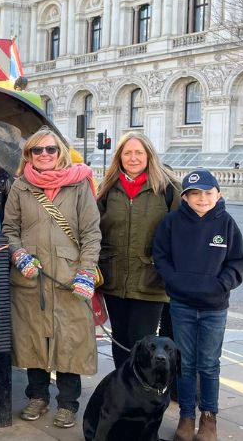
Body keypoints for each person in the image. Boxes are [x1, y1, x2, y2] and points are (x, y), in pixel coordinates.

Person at [3, 127, 100, 430]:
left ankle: (68, 403)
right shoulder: (20, 186)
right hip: (32, 277)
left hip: (69, 278)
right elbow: (10, 230)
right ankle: (37, 396)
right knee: (34, 337)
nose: (44, 155)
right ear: (28, 155)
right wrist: (18, 255)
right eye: (37, 150)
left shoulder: (79, 185)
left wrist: (86, 271)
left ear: (60, 152)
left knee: (70, 339)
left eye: (50, 149)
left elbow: (91, 233)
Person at [153, 169, 243, 441]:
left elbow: (236, 263)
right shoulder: (172, 222)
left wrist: (219, 285)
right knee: (185, 363)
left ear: (218, 195)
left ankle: (208, 417)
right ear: (185, 197)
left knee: (208, 363)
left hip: (214, 307)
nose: (202, 199)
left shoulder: (227, 224)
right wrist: (174, 281)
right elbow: (161, 257)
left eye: (208, 193)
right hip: (181, 304)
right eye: (195, 193)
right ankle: (186, 415)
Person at [95, 132, 180, 369]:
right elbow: (95, 229)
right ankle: (123, 388)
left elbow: (181, 232)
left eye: (138, 152)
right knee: (120, 339)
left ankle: (143, 390)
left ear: (149, 155)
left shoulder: (169, 187)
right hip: (115, 276)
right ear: (119, 157)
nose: (133, 158)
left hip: (150, 280)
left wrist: (168, 270)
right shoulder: (108, 187)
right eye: (127, 153)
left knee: (143, 341)